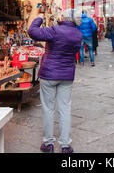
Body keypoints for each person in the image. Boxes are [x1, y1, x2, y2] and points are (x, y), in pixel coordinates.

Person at [28, 9, 83, 153]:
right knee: (65, 108)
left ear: (64, 18)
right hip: (67, 75)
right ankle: (65, 145)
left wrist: (39, 18)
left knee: (48, 108)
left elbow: (32, 31)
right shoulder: (78, 34)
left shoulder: (54, 30)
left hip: (49, 74)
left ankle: (48, 144)